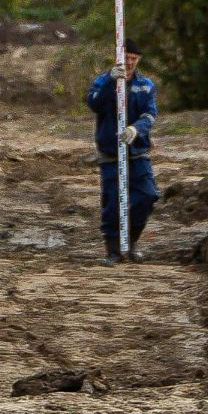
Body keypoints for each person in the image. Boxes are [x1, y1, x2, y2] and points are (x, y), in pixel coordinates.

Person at [86, 54, 158, 262]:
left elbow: (150, 114)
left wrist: (136, 129)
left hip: (138, 152)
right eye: (127, 58)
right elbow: (94, 103)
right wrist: (111, 81)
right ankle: (113, 250)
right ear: (119, 56)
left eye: (135, 58)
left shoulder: (145, 85)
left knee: (147, 195)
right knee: (112, 203)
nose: (130, 62)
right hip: (111, 152)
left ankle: (132, 240)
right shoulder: (103, 81)